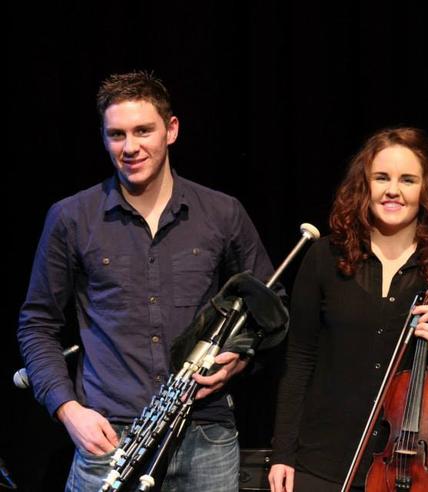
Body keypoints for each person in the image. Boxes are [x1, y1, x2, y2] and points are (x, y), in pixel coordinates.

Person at [16, 71, 282, 491]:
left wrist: (239, 360)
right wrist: (68, 411)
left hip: (205, 432)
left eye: (143, 131)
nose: (130, 147)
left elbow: (272, 307)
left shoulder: (222, 213)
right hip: (108, 435)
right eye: (117, 134)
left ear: (171, 130)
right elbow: (37, 324)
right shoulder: (71, 217)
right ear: (104, 139)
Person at [268, 127, 428, 491]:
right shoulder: (325, 257)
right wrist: (282, 452)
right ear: (363, 185)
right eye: (381, 178)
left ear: (427, 189)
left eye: (408, 179)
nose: (392, 191)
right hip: (324, 461)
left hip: (413, 468)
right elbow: (300, 359)